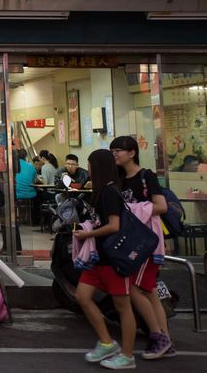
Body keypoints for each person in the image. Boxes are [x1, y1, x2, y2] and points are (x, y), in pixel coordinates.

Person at [110, 136, 174, 360]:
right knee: (150, 291)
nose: (115, 154)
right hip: (131, 240)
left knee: (135, 289)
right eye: (113, 150)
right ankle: (165, 339)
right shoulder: (119, 180)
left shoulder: (147, 176)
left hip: (144, 241)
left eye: (119, 150)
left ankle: (159, 336)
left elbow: (162, 206)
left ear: (132, 153)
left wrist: (133, 209)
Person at [73, 149, 136, 370]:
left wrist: (87, 234)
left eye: (89, 164)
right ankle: (107, 342)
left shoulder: (109, 192)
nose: (87, 168)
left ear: (97, 166)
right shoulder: (99, 191)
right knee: (82, 296)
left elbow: (114, 225)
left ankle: (127, 356)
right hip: (98, 258)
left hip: (113, 259)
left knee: (122, 306)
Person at [15, 149, 38, 224]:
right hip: (30, 194)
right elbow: (34, 181)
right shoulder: (31, 166)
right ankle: (29, 219)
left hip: (16, 193)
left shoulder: (14, 166)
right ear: (26, 156)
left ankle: (19, 218)